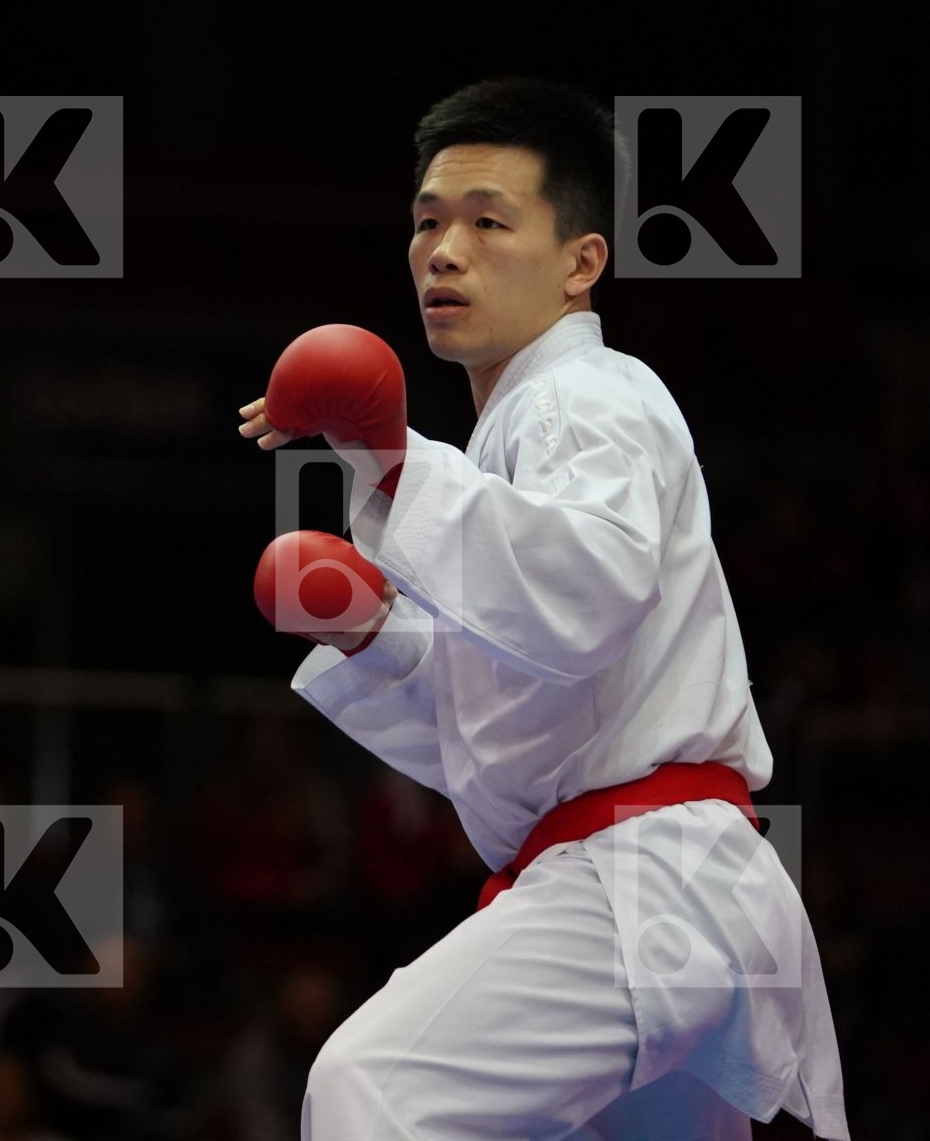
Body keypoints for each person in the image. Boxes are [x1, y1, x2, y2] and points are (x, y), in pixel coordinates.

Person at [239, 77, 847, 1138]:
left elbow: (590, 593)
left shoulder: (584, 394)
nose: (443, 249)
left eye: (487, 221)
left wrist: (389, 459)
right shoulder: (516, 448)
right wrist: (377, 639)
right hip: (657, 886)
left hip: (642, 877)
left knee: (371, 1084)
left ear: (582, 261)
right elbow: (520, 723)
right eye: (427, 221)